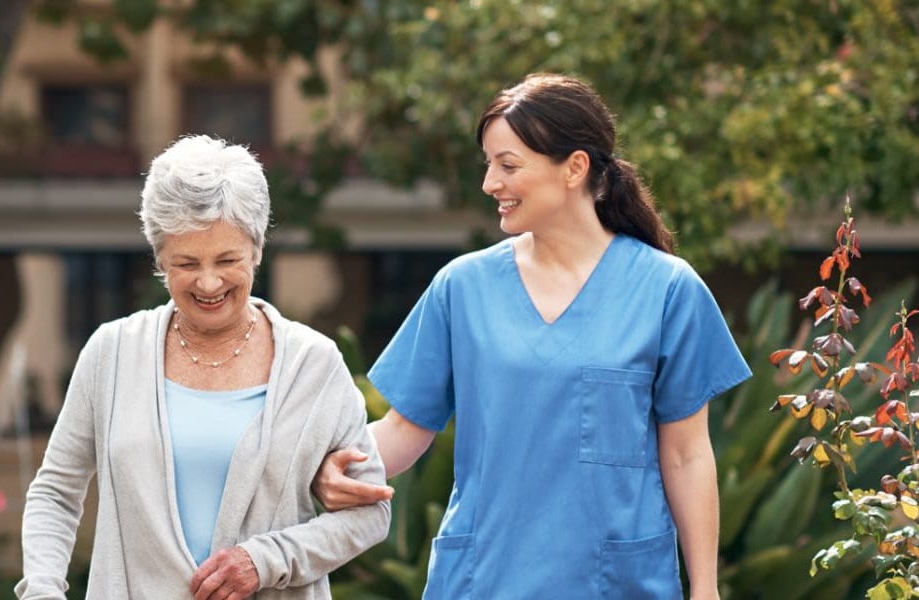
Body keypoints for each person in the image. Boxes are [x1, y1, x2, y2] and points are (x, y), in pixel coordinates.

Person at [311, 73, 751, 599]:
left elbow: (685, 455)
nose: (490, 183)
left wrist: (704, 588)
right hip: (485, 580)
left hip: (616, 584)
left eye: (508, 165)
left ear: (575, 168)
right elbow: (404, 429)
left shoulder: (667, 290)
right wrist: (331, 466)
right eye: (489, 164)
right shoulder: (463, 287)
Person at [18, 135, 391, 600]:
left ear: (256, 250)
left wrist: (264, 561)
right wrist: (42, 592)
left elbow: (370, 513)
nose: (209, 281)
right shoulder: (112, 354)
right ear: (160, 260)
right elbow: (55, 492)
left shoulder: (313, 365)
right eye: (187, 263)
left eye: (228, 259)